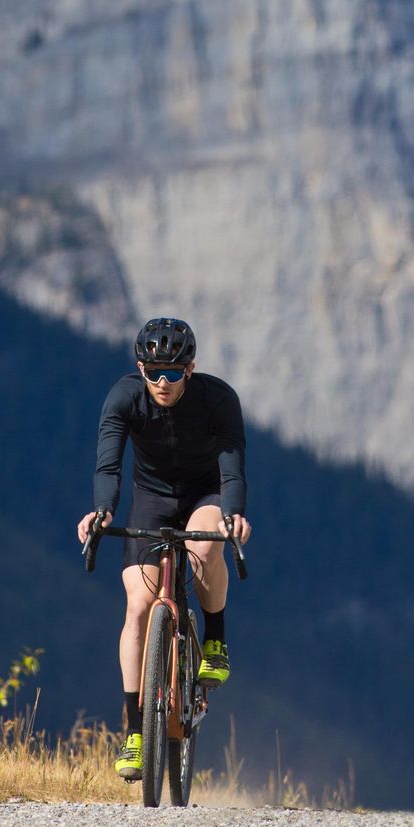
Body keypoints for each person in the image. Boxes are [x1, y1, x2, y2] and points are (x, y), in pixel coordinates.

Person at [76, 315, 250, 782]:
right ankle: (136, 734)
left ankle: (215, 638)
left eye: (173, 373)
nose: (162, 382)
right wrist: (101, 512)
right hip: (150, 500)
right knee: (137, 607)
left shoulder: (218, 400)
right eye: (153, 372)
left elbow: (232, 471)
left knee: (204, 544)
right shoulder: (124, 398)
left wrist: (233, 516)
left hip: (204, 494)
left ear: (189, 370)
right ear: (140, 367)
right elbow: (107, 467)